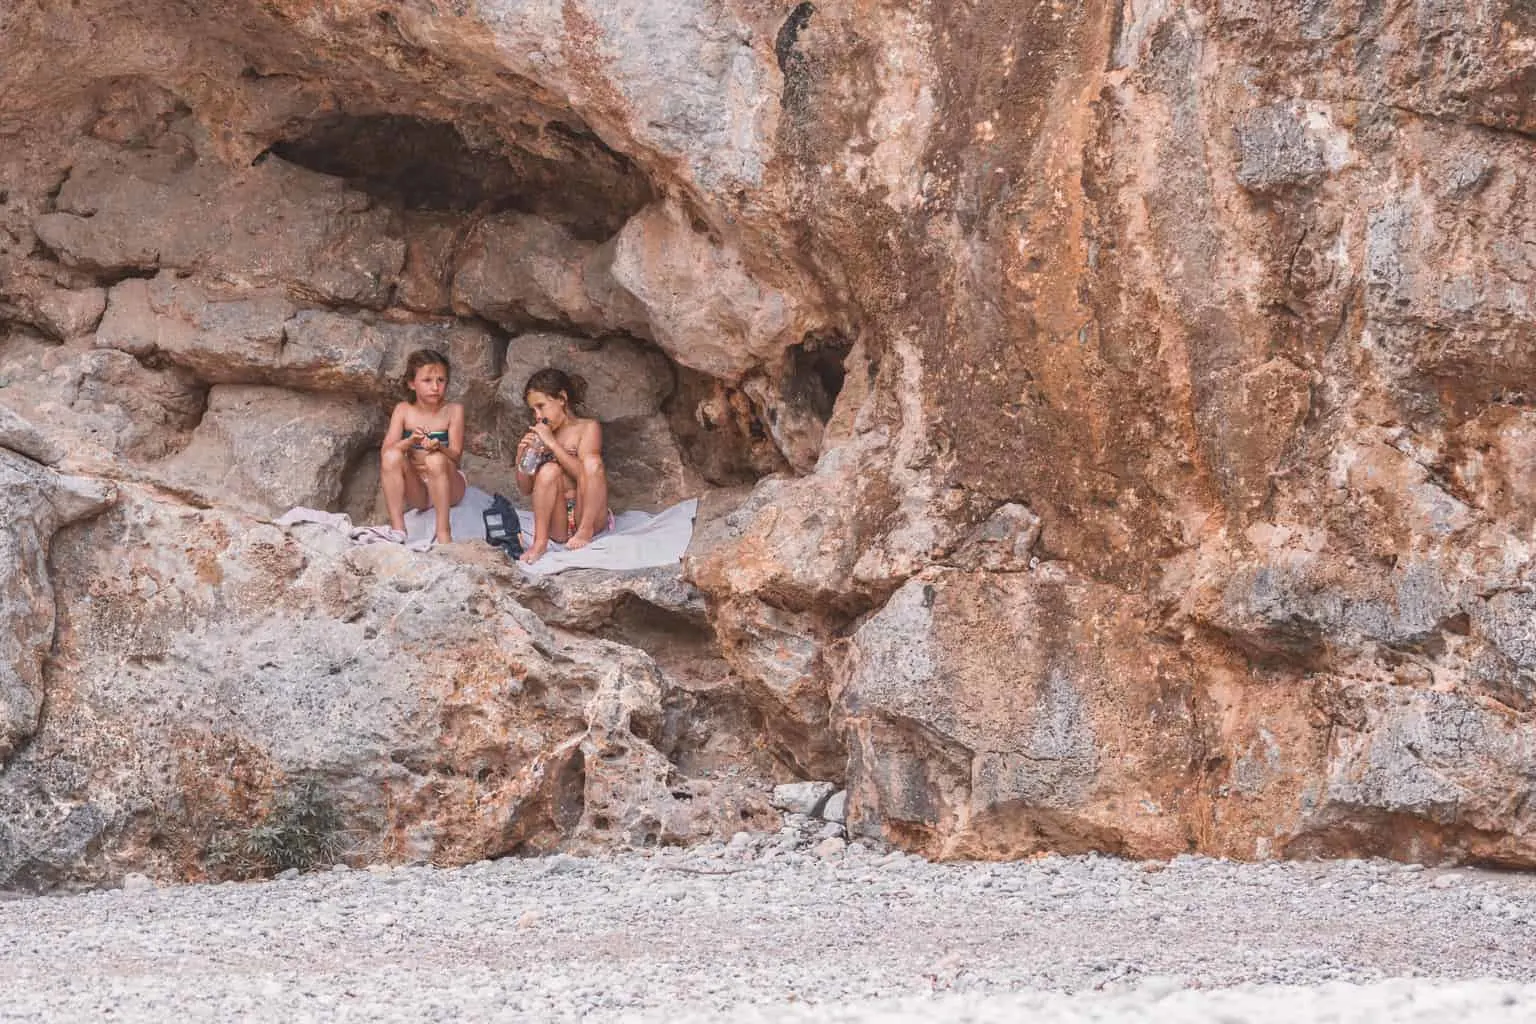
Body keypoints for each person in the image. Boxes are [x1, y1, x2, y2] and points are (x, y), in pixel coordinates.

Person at [516, 368, 610, 564]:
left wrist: (552, 444)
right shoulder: (540, 436)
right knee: (549, 470)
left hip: (588, 514)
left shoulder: (587, 428)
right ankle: (540, 542)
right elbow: (525, 489)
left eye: (541, 406)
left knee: (593, 463)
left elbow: (586, 474)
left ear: (562, 398)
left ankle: (584, 531)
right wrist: (521, 456)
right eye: (533, 410)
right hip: (558, 522)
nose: (537, 416)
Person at [380, 349, 466, 544]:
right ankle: (398, 530)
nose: (435, 387)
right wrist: (410, 442)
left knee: (435, 460)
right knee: (392, 457)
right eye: (427, 381)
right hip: (419, 490)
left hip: (449, 484)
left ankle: (443, 532)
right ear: (412, 383)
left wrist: (439, 448)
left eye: (441, 380)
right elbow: (387, 452)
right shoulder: (403, 410)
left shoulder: (454, 411)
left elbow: (456, 456)